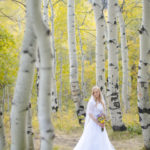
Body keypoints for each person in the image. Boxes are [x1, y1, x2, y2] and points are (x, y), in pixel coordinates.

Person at [74, 86, 116, 150]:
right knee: (92, 139)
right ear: (93, 94)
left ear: (99, 92)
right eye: (94, 92)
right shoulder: (91, 102)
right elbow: (90, 114)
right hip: (93, 123)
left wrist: (103, 120)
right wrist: (97, 122)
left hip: (101, 123)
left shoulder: (101, 101)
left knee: (101, 138)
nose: (96, 94)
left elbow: (102, 112)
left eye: (97, 92)